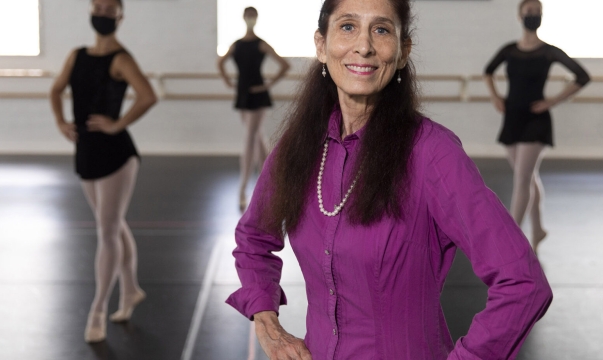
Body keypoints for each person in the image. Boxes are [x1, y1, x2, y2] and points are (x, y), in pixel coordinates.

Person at [225, 0, 552, 359]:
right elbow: (254, 237)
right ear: (321, 45)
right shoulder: (298, 146)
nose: (363, 46)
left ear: (401, 51)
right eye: (347, 26)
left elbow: (523, 282)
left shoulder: (432, 153)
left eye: (381, 30)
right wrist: (267, 323)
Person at [49, 0, 157, 343]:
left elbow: (148, 95)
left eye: (110, 9)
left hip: (116, 154)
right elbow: (55, 90)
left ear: (120, 16)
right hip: (86, 151)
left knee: (108, 229)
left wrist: (117, 124)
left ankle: (97, 310)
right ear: (91, 10)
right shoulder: (76, 55)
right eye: (99, 6)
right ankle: (130, 289)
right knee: (113, 223)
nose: (104, 13)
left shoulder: (121, 59)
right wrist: (61, 122)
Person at [484, 0, 590, 253]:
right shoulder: (509, 50)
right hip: (512, 118)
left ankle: (511, 239)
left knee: (521, 179)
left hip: (535, 121)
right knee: (528, 177)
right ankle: (539, 229)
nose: (533, 16)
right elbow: (488, 71)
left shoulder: (548, 51)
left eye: (537, 12)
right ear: (520, 16)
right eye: (529, 12)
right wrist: (496, 97)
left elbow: (583, 76)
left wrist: (552, 101)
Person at [217, 7, 290, 211]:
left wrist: (267, 85)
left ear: (256, 19)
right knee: (256, 136)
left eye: (253, 16)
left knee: (250, 136)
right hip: (243, 93)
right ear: (244, 18)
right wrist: (228, 81)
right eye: (248, 16)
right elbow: (220, 63)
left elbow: (284, 65)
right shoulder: (237, 45)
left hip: (257, 94)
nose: (250, 19)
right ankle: (270, 183)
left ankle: (243, 188)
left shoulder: (261, 44)